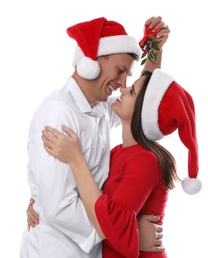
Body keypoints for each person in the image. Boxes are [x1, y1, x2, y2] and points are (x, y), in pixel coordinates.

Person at [21, 16, 170, 258]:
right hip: (55, 251)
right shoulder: (58, 113)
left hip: (93, 250)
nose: (122, 84)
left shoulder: (98, 108)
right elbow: (59, 207)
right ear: (91, 61)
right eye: (120, 71)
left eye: (127, 78)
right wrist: (126, 231)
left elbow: (140, 104)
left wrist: (154, 49)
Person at [39, 68, 202, 257]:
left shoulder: (146, 160)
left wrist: (76, 159)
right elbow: (89, 194)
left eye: (131, 91)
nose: (123, 89)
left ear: (144, 112)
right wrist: (39, 203)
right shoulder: (117, 152)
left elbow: (113, 224)